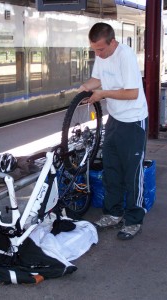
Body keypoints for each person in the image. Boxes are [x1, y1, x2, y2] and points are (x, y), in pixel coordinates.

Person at [79, 22, 148, 240]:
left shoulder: (125, 56)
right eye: (94, 49)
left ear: (112, 42)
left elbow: (132, 93)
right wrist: (82, 90)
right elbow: (97, 79)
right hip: (115, 119)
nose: (97, 53)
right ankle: (113, 213)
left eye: (100, 49)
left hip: (133, 121)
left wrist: (102, 94)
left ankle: (134, 220)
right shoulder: (102, 55)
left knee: (132, 172)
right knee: (111, 169)